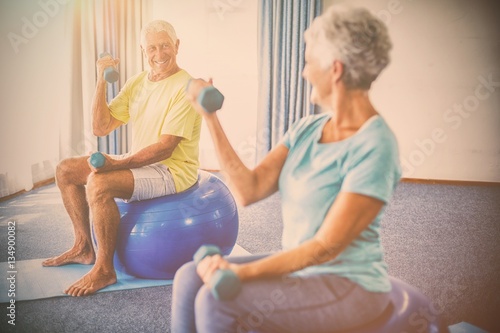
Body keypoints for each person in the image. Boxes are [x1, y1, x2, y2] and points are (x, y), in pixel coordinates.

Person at [172, 4, 401, 333]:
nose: (305, 73)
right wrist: (210, 118)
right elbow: (248, 189)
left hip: (349, 284)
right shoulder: (307, 128)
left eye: (309, 63)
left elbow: (324, 248)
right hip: (301, 269)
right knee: (188, 277)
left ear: (335, 70)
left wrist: (241, 273)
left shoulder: (376, 146)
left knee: (215, 299)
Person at [42, 20, 201, 297]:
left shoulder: (186, 87)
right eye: (152, 48)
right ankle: (83, 246)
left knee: (99, 184)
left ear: (177, 45)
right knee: (66, 170)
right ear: (143, 50)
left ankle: (105, 269)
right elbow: (100, 127)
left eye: (165, 45)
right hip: (141, 162)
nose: (159, 54)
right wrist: (101, 79)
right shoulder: (137, 82)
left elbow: (165, 148)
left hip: (171, 170)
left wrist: (116, 164)